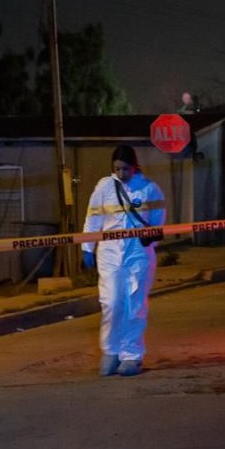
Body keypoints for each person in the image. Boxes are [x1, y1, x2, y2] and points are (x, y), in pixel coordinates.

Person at [81, 144, 166, 377]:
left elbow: (158, 223)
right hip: (109, 254)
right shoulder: (104, 187)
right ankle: (111, 351)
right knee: (111, 303)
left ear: (134, 167)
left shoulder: (149, 189)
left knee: (135, 304)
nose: (121, 173)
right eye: (117, 169)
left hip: (138, 253)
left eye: (125, 169)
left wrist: (152, 240)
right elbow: (92, 218)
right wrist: (87, 247)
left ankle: (132, 355)